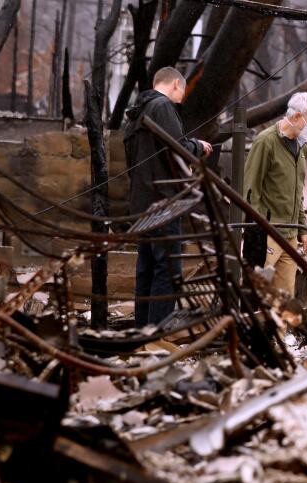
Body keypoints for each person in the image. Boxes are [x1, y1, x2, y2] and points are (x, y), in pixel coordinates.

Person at [122, 66, 213, 327]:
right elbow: (177, 149)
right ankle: (158, 333)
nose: (181, 98)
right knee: (168, 270)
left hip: (142, 203)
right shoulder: (162, 107)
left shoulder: (136, 114)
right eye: (182, 92)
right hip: (165, 202)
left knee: (147, 268)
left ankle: (143, 330)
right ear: (175, 84)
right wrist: (198, 146)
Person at [243, 92, 307, 297]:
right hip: (268, 234)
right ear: (297, 116)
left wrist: (302, 228)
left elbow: (298, 192)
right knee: (258, 294)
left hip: (290, 236)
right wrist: (258, 231)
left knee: (284, 298)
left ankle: (280, 331)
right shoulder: (266, 142)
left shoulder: (301, 147)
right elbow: (251, 190)